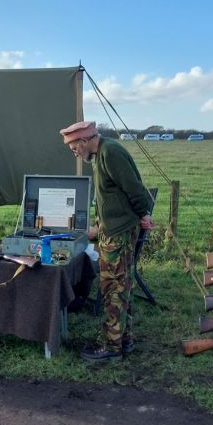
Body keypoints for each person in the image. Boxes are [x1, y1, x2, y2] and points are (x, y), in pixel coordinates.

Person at [61, 121, 154, 363]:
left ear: (84, 141)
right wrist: (98, 225)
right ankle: (124, 340)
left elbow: (134, 187)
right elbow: (110, 197)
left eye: (74, 148)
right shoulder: (100, 154)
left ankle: (111, 346)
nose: (75, 153)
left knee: (113, 288)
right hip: (112, 229)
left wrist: (144, 213)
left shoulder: (110, 152)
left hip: (119, 233)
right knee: (121, 287)